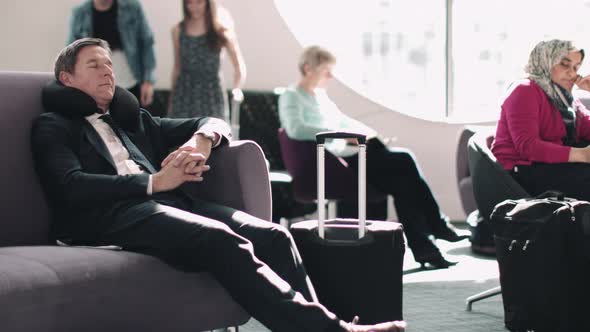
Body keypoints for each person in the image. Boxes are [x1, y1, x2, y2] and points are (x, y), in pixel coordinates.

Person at [31, 38, 406, 332]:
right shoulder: (54, 124)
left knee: (275, 236)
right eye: (94, 65)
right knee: (221, 239)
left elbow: (213, 120)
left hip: (168, 205)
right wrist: (154, 182)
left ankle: (320, 327)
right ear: (67, 79)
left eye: (109, 63)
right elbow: (70, 186)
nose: (107, 71)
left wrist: (201, 140)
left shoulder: (133, 121)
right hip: (110, 216)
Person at [279, 46, 468, 269]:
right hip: (330, 163)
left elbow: (344, 121)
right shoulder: (291, 96)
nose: (330, 77)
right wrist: (343, 136)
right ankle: (436, 228)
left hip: (347, 156)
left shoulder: (321, 97)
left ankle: (427, 248)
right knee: (405, 161)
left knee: (402, 183)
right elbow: (295, 129)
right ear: (308, 68)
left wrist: (369, 133)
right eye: (326, 71)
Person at [492, 39, 590, 200]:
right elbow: (528, 146)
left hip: (549, 167)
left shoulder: (566, 99)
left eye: (576, 68)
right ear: (546, 61)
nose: (572, 74)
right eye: (565, 65)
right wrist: (582, 155)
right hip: (520, 174)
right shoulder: (524, 90)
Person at [69, 0, 156, 107]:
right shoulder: (80, 13)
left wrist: (148, 81)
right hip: (95, 85)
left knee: (131, 119)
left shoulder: (132, 7)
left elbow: (146, 43)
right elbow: (72, 51)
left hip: (130, 80)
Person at [168, 0, 246, 119]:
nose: (194, 7)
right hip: (184, 94)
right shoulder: (178, 30)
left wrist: (237, 89)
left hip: (211, 94)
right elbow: (177, 67)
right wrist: (172, 99)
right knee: (181, 134)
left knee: (213, 133)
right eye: (189, 2)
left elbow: (238, 66)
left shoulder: (220, 31)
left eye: (199, 2)